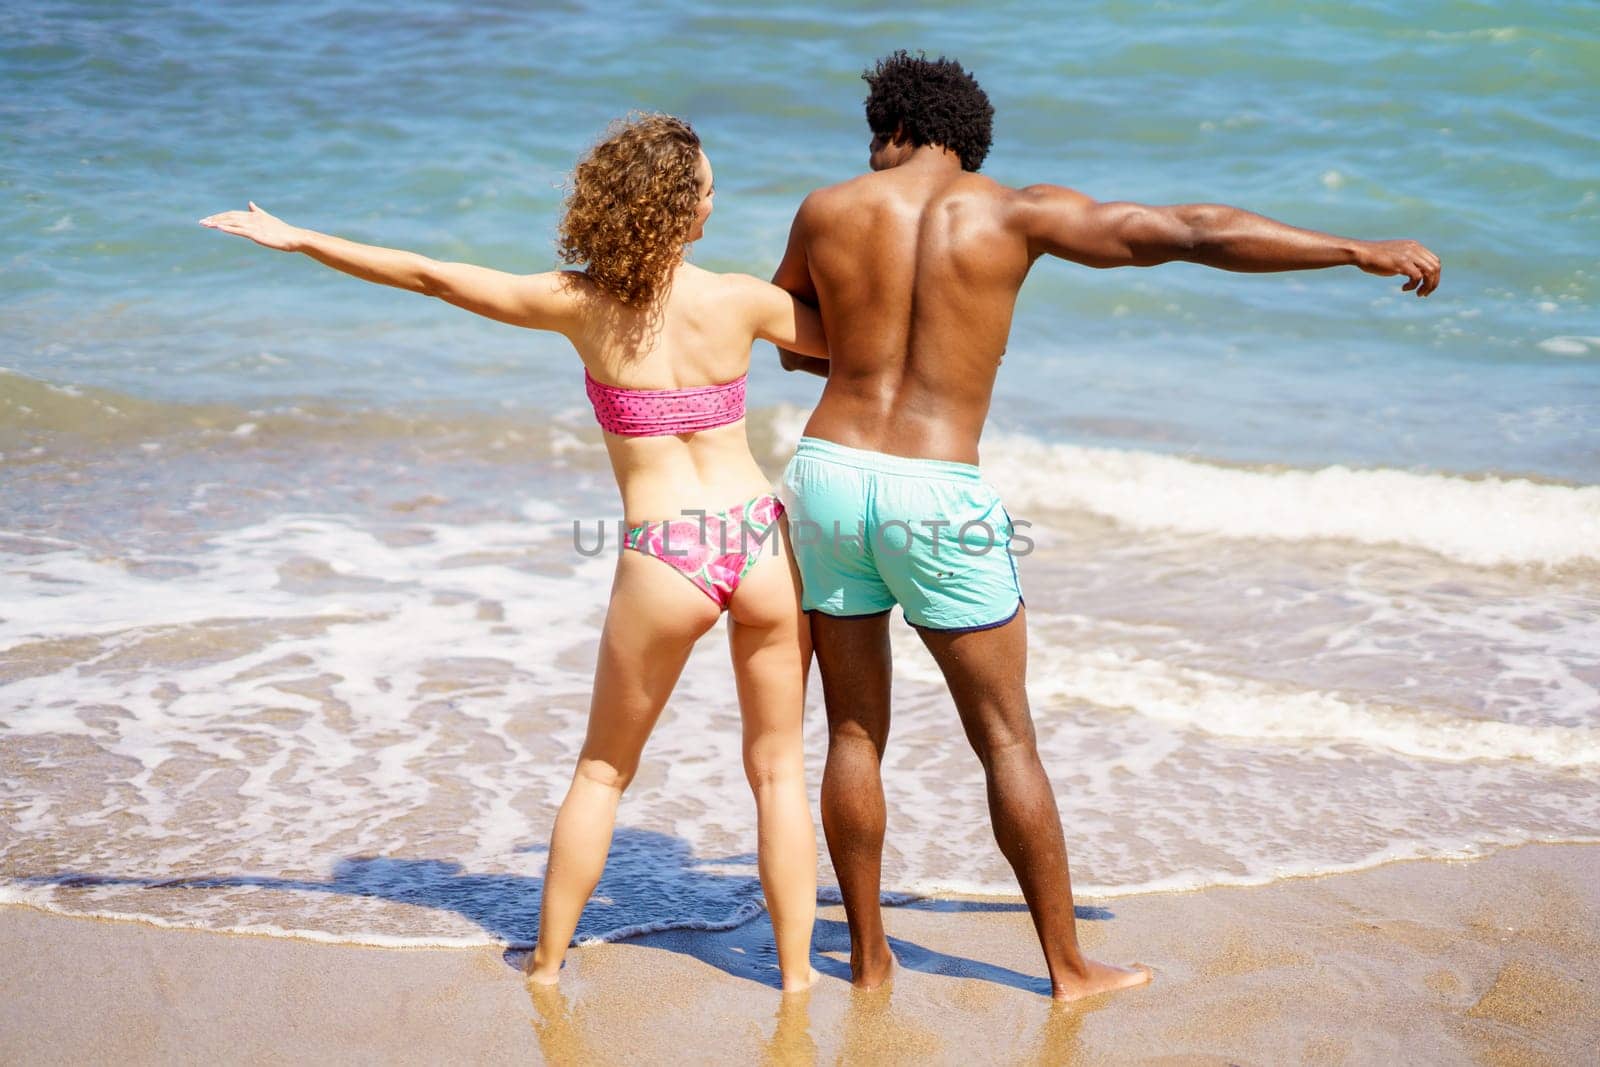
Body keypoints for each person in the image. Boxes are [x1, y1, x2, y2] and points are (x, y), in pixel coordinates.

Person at [770, 51, 1440, 1001]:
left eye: (876, 139)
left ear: (896, 129)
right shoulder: (1015, 213)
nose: (873, 157)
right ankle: (1068, 967)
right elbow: (1191, 231)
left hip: (831, 473)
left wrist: (864, 342)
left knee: (852, 729)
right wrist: (1353, 249)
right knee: (1004, 737)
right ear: (967, 139)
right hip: (936, 486)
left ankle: (871, 959)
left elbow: (796, 334)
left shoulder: (826, 209)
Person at [201, 113, 826, 993]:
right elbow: (859, 339)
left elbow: (432, 277)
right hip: (759, 538)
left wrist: (300, 238)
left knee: (603, 770)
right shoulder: (741, 300)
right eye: (708, 188)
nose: (715, 199)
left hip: (668, 551)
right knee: (778, 772)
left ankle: (544, 963)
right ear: (684, 209)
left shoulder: (578, 302)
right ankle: (797, 977)